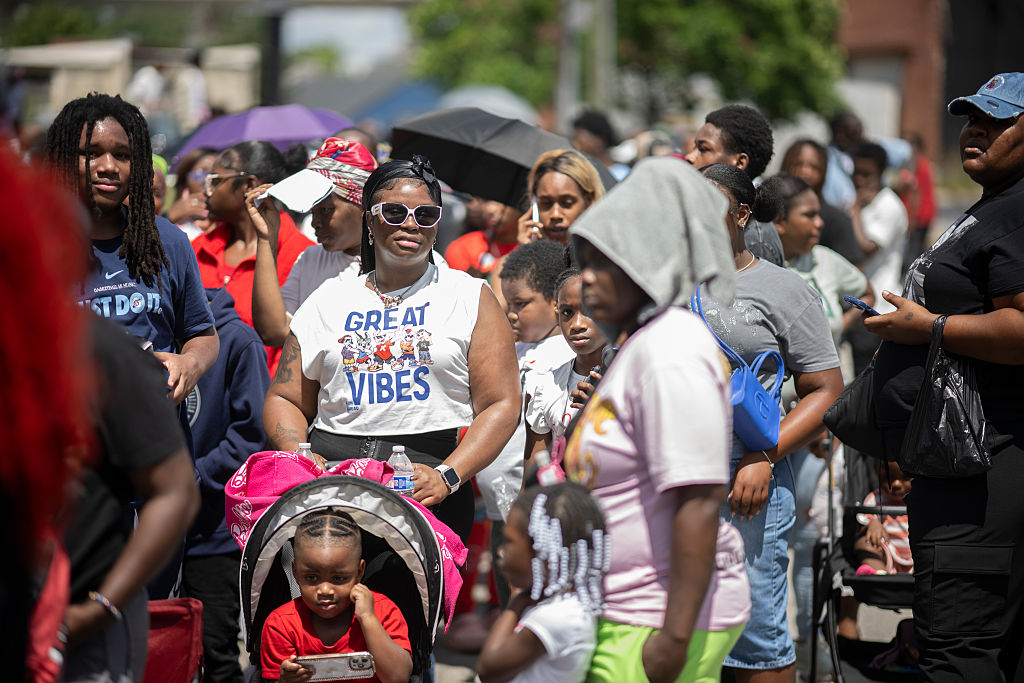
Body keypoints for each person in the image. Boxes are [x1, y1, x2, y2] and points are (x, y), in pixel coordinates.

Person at [262, 155, 520, 543]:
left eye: (426, 214)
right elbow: (286, 398)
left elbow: (502, 404)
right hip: (333, 487)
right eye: (395, 212)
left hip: (430, 487)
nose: (411, 224)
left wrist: (449, 476)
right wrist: (299, 453)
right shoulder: (327, 299)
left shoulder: (469, 296)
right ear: (370, 219)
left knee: (411, 605)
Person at [566, 157, 751, 683]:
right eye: (586, 262)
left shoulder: (673, 350)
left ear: (651, 264)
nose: (588, 281)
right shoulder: (641, 344)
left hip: (654, 622)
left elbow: (698, 498)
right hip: (626, 611)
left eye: (607, 264)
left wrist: (673, 640)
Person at [865, 71, 1024, 682]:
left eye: (997, 119)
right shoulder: (992, 210)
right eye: (969, 116)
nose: (974, 130)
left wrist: (928, 327)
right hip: (957, 469)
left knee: (959, 651)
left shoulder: (1017, 217)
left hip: (983, 474)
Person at [700, 163, 843, 683]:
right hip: (670, 480)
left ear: (740, 214)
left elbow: (826, 390)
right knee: (679, 628)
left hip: (748, 485)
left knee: (753, 635)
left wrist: (763, 458)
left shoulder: (783, 289)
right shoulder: (659, 284)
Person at [46, 92, 219, 410]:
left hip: (157, 441)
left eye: (122, 155)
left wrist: (190, 363)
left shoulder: (167, 241)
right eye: (91, 153)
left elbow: (203, 334)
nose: (108, 166)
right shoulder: (36, 247)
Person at [182, 287, 271, 683]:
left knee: (215, 650)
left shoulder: (239, 341)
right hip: (150, 527)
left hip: (214, 533)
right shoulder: (151, 333)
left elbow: (252, 436)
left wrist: (195, 476)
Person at [483, 240, 574, 605]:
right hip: (500, 509)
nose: (512, 314)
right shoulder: (512, 348)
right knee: (510, 599)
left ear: (555, 302)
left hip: (539, 508)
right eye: (509, 305)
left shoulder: (567, 354)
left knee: (538, 601)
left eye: (521, 304)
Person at [193, 139, 314, 375]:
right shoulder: (196, 249)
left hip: (268, 399)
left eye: (215, 182)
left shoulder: (303, 255)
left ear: (249, 185)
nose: (205, 192)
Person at [247, 138, 379, 349]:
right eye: (312, 210)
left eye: (326, 209)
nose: (315, 222)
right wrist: (266, 237)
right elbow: (274, 332)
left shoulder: (407, 265)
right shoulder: (310, 260)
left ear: (363, 205)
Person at [476, 482, 609, 683]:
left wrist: (516, 604)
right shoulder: (555, 604)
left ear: (544, 554)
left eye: (509, 542)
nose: (500, 551)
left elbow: (487, 669)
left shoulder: (557, 617)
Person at [261, 509, 412, 683]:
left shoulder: (383, 611)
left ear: (359, 571)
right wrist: (284, 680)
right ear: (295, 571)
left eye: (338, 578)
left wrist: (368, 619)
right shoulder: (281, 624)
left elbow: (398, 678)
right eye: (311, 578)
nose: (325, 590)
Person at [767, 172, 873, 349]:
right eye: (809, 215)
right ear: (779, 222)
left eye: (818, 214)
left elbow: (867, 294)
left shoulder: (824, 259)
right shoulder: (756, 268)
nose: (819, 223)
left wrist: (839, 326)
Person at [523, 267, 607, 469]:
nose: (577, 324)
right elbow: (536, 474)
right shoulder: (544, 386)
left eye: (588, 311)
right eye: (567, 313)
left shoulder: (630, 379)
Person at [685, 104, 785, 267]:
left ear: (739, 162)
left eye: (704, 149)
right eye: (694, 147)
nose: (690, 156)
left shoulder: (755, 239)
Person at [779, 138, 863, 265]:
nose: (805, 172)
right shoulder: (766, 214)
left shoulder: (836, 220)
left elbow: (856, 274)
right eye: (798, 165)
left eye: (814, 167)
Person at [849, 141, 908, 315]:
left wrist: (855, 211)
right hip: (860, 301)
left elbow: (865, 250)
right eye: (856, 173)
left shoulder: (888, 205)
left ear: (881, 172)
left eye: (867, 174)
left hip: (881, 303)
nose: (859, 180)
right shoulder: (863, 202)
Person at [516, 149, 605, 246]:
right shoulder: (522, 256)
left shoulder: (608, 258)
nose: (555, 215)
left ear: (588, 201)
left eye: (567, 203)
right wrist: (526, 253)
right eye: (546, 203)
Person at [853, 461, 913, 577]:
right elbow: (863, 520)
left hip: (917, 557)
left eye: (905, 477)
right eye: (888, 478)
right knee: (864, 543)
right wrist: (873, 523)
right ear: (877, 472)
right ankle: (878, 573)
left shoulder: (918, 499)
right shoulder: (875, 499)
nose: (896, 484)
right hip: (888, 554)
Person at [166, 146, 217, 239]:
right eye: (201, 173)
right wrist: (168, 217)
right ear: (185, 181)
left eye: (214, 174)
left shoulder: (226, 222)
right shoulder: (170, 220)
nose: (208, 180)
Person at [571, 109, 630, 180]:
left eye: (580, 142)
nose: (576, 146)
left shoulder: (622, 174)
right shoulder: (578, 173)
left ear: (598, 141)